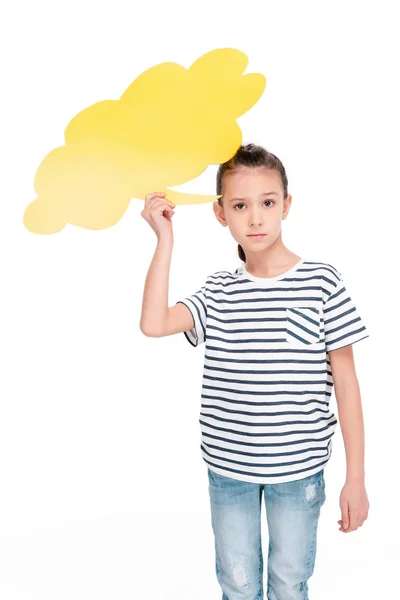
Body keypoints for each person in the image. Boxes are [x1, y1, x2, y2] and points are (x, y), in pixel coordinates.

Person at [140, 143, 370, 600]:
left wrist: (356, 478)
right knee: (239, 585)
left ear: (286, 205)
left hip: (299, 470)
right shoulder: (220, 291)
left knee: (289, 581)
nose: (256, 218)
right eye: (240, 206)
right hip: (229, 469)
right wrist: (164, 240)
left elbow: (346, 384)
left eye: (267, 203)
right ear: (220, 213)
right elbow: (154, 323)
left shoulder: (322, 281)